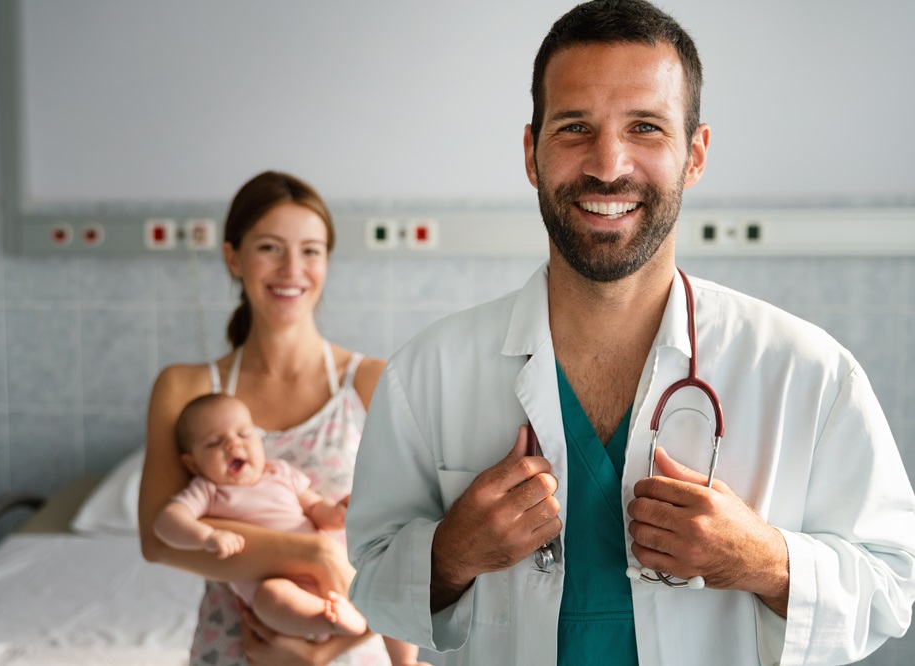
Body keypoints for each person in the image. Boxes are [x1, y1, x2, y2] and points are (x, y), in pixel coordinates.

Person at [345, 1, 915, 665]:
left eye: (645, 128)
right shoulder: (426, 376)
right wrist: (449, 556)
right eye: (574, 128)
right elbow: (372, 585)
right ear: (531, 154)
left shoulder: (808, 371)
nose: (607, 164)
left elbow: (892, 587)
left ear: (694, 154)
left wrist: (762, 561)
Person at [139, 170, 395, 666]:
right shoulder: (186, 390)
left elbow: (409, 541)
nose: (292, 269)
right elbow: (159, 540)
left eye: (311, 250)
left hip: (347, 645)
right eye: (270, 248)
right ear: (233, 256)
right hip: (233, 646)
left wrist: (321, 653)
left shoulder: (370, 382)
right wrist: (311, 554)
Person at [154, 393, 425, 665]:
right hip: (282, 589)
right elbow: (166, 522)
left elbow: (315, 508)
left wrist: (337, 514)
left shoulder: (279, 473)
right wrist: (206, 536)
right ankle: (328, 619)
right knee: (270, 598)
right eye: (214, 442)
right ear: (193, 464)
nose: (233, 443)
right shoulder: (209, 491)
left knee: (388, 587)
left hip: (334, 574)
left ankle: (405, 661)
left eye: (244, 434)